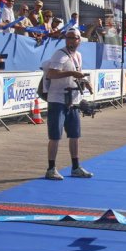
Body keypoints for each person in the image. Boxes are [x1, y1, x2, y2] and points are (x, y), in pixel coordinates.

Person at [43, 28, 94, 181]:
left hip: (72, 101)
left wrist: (84, 82)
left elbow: (77, 73)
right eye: (69, 38)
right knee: (55, 136)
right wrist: (71, 74)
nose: (71, 41)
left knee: (75, 135)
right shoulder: (60, 54)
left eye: (74, 38)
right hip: (58, 100)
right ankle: (51, 168)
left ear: (79, 40)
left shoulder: (77, 55)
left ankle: (75, 167)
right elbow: (51, 74)